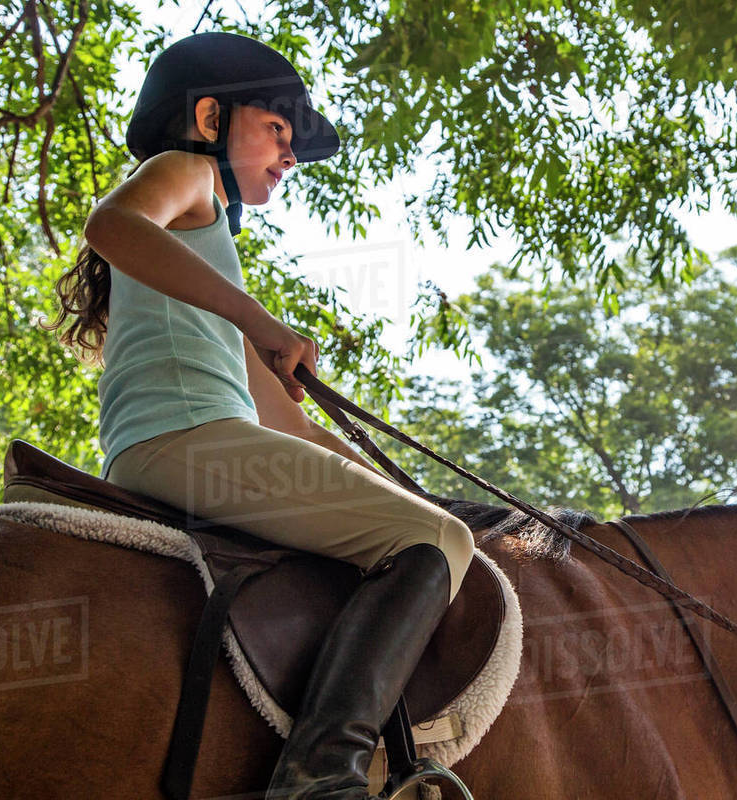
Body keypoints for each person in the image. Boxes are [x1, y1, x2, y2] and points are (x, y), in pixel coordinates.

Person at [45, 31, 475, 799]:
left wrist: (410, 493)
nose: (290, 156)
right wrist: (262, 321)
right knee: (438, 542)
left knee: (433, 523)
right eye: (277, 129)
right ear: (210, 117)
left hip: (197, 444)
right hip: (188, 441)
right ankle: (321, 776)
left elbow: (293, 429)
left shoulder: (205, 266)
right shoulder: (185, 170)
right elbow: (110, 226)